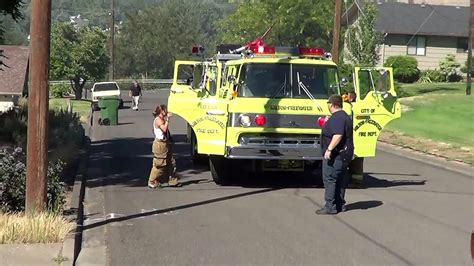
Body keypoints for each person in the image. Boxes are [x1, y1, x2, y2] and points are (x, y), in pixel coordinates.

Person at [316, 94, 354, 215]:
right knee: (340, 179)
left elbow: (338, 134)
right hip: (345, 155)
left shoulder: (338, 118)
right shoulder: (345, 117)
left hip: (336, 155)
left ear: (332, 104)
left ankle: (330, 206)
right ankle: (339, 204)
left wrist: (329, 149)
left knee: (330, 178)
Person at [148, 104, 181, 188]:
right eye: (164, 111)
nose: (166, 112)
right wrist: (168, 120)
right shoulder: (158, 120)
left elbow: (167, 132)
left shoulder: (162, 119)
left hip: (165, 143)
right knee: (159, 164)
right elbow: (164, 129)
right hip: (160, 144)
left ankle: (172, 181)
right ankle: (151, 181)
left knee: (171, 162)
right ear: (160, 112)